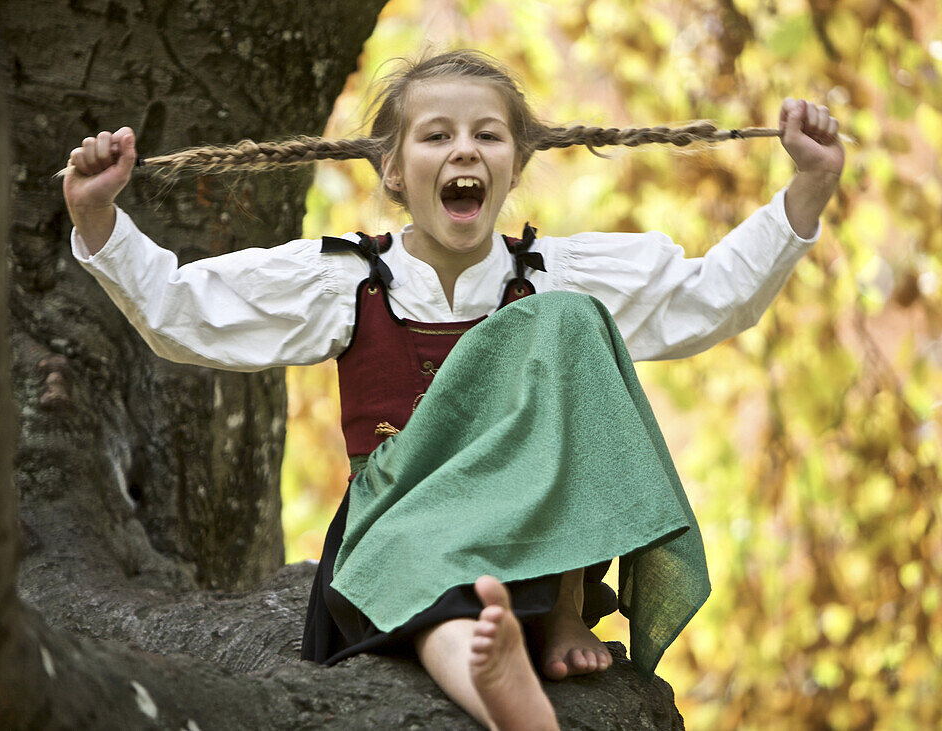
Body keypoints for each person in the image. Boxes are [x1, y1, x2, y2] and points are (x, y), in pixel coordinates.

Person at [63, 50, 843, 731]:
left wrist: (807, 185)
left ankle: (561, 606)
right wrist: (100, 216)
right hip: (406, 522)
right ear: (395, 170)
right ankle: (498, 683)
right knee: (427, 596)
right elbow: (183, 312)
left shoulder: (551, 277)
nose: (463, 148)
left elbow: (707, 297)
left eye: (487, 134)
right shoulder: (346, 277)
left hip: (528, 528)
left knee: (571, 322)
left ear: (515, 162)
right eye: (436, 135)